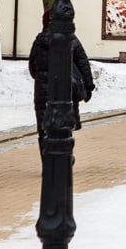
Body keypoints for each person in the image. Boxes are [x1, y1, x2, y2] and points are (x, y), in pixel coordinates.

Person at [28, 8, 95, 157]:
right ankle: (64, 158)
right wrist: (88, 87)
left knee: (44, 128)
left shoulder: (39, 41)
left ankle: (47, 162)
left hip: (42, 90)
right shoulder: (70, 39)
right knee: (64, 127)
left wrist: (42, 78)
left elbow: (32, 67)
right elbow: (83, 63)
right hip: (66, 90)